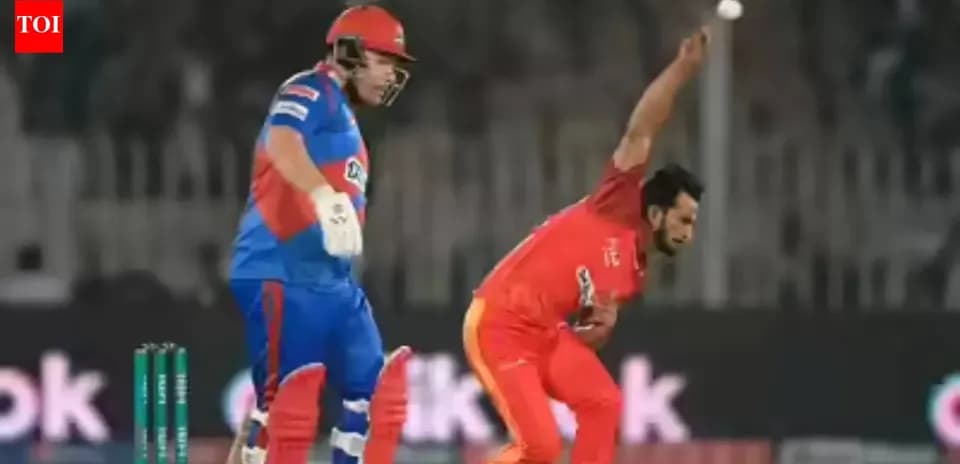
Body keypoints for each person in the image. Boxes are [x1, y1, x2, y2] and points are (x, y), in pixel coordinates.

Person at [462, 29, 710, 464]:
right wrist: (682, 70)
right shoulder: (617, 203)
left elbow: (588, 333)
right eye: (684, 219)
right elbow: (641, 130)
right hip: (499, 324)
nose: (689, 232)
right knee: (539, 448)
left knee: (604, 403)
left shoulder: (633, 276)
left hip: (547, 333)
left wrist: (598, 330)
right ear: (655, 214)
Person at [226, 5, 415, 464]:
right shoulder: (311, 89)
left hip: (332, 281)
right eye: (385, 59)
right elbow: (282, 140)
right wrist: (324, 196)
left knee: (376, 396)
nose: (391, 74)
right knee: (283, 413)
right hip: (280, 272)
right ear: (350, 54)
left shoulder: (345, 118)